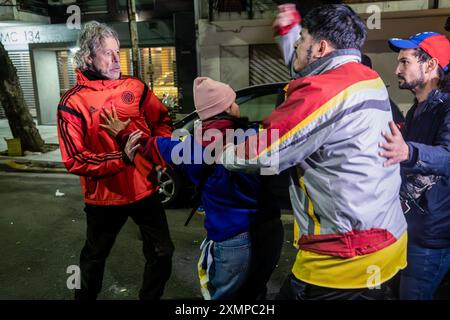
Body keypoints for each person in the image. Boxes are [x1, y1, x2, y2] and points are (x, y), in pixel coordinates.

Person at [221, 4, 408, 300]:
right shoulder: (366, 78)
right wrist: (288, 35)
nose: (296, 43)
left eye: (302, 37)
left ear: (321, 46)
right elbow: (311, 78)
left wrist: (223, 149)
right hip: (387, 243)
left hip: (344, 261)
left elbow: (262, 152)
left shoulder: (324, 92)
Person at [103, 77, 284, 300]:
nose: (237, 105)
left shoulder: (189, 148)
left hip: (231, 240)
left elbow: (150, 145)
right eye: (234, 102)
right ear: (227, 108)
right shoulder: (254, 139)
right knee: (255, 293)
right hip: (269, 234)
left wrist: (122, 133)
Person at [56, 21, 174, 300]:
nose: (115, 59)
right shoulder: (72, 103)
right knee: (94, 258)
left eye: (117, 51)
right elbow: (74, 159)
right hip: (104, 199)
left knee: (162, 252)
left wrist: (157, 154)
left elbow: (162, 120)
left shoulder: (134, 86)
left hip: (144, 189)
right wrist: (121, 157)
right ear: (88, 57)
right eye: (107, 53)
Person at [380, 32, 450, 300]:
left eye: (405, 62)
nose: (397, 69)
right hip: (411, 228)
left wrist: (407, 151)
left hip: (433, 236)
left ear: (430, 65)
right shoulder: (416, 109)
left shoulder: (446, 108)